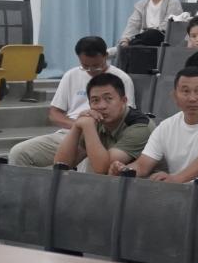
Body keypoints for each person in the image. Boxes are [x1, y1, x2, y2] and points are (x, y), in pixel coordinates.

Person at [7, 37, 135, 168]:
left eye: (96, 66)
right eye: (85, 66)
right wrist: (79, 125)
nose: (91, 71)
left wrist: (93, 129)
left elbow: (126, 115)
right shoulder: (71, 75)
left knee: (89, 163)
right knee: (19, 153)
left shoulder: (122, 79)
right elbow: (54, 113)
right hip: (70, 133)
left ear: (106, 56)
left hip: (105, 137)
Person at [111, 67, 198, 182]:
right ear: (174, 96)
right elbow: (142, 166)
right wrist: (123, 170)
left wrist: (176, 179)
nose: (192, 98)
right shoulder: (165, 127)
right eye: (185, 91)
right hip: (177, 190)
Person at [52, 73, 152, 174]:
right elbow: (61, 164)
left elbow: (102, 169)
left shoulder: (140, 127)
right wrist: (77, 126)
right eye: (95, 100)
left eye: (108, 99)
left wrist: (88, 126)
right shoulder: (96, 119)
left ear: (123, 101)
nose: (102, 106)